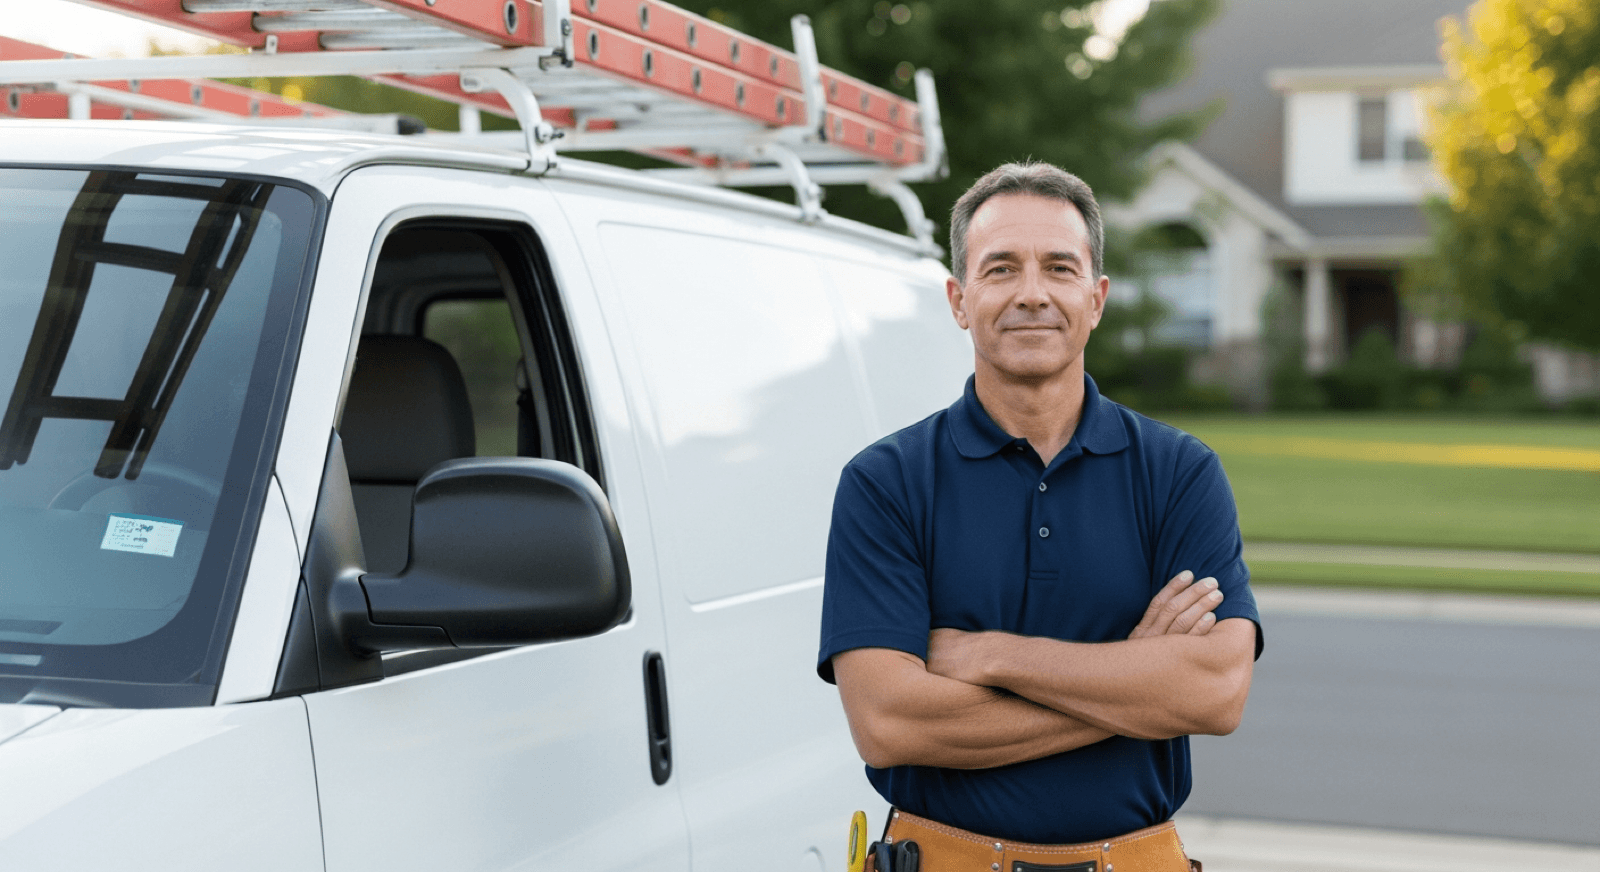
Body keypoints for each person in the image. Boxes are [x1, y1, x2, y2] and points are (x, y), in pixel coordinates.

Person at [817, 162, 1263, 872]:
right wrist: (1137, 683)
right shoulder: (885, 483)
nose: (1032, 294)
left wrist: (991, 655)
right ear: (960, 299)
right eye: (1001, 270)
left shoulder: (1179, 472)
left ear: (1096, 298)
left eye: (1059, 267)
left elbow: (1213, 692)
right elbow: (889, 723)